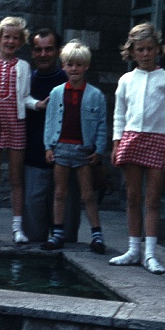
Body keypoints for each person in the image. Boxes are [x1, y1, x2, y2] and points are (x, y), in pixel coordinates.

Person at [109, 22, 165, 274]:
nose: (145, 54)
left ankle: (150, 254)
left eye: (150, 48)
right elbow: (119, 114)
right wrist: (116, 142)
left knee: (152, 199)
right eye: (140, 49)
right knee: (132, 197)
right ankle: (133, 250)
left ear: (158, 50)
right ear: (132, 51)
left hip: (158, 141)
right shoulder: (127, 80)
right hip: (131, 139)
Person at [0, 16, 47, 243]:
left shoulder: (23, 66)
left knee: (16, 179)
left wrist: (38, 104)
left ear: (21, 41)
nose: (11, 41)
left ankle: (17, 228)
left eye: (16, 38)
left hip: (16, 124)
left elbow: (24, 97)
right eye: (7, 37)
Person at [40, 40, 108, 253]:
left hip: (83, 151)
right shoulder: (57, 92)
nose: (74, 69)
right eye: (70, 65)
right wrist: (48, 146)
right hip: (61, 148)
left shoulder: (95, 95)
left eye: (79, 65)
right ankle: (57, 234)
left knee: (87, 194)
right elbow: (50, 121)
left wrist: (98, 149)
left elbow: (101, 124)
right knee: (60, 192)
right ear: (63, 66)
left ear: (86, 66)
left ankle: (97, 235)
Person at [22, 28, 82, 243]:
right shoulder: (25, 81)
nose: (43, 54)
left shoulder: (70, 80)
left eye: (49, 49)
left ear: (58, 51)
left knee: (65, 237)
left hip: (68, 163)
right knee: (33, 236)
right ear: (32, 52)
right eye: (38, 50)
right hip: (34, 164)